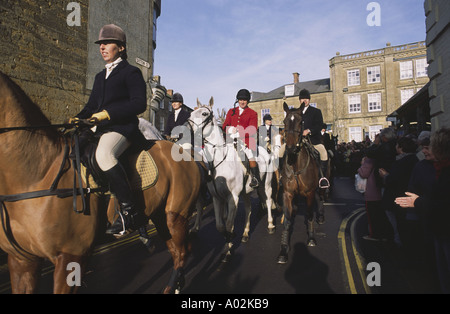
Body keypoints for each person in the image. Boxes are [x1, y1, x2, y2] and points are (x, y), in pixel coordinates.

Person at [70, 24, 147, 235]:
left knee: (104, 155)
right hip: (100, 129)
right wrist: (76, 119)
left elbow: (139, 104)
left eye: (107, 43)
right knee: (70, 147)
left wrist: (107, 113)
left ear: (121, 47)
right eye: (100, 44)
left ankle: (130, 212)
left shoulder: (131, 72)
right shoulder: (98, 77)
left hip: (122, 128)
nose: (102, 47)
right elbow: (90, 107)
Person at [395, 127, 450, 293]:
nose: (426, 150)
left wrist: (417, 202)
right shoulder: (439, 167)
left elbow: (443, 204)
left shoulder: (444, 171)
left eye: (430, 146)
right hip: (438, 230)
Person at [379, 136, 418, 247]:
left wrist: (385, 175)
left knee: (398, 224)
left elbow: (394, 180)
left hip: (398, 198)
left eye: (397, 145)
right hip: (406, 197)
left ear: (400, 148)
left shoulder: (401, 162)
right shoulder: (414, 159)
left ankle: (400, 243)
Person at [222, 89, 260, 188]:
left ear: (247, 101)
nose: (242, 102)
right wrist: (230, 129)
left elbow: (253, 129)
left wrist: (240, 132)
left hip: (245, 141)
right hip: (230, 140)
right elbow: (225, 125)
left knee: (250, 155)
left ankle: (255, 178)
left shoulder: (252, 113)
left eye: (244, 100)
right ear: (237, 100)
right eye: (240, 100)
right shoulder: (231, 111)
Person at [298, 89, 329, 188]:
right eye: (302, 99)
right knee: (282, 151)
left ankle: (322, 178)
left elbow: (319, 125)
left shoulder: (316, 111)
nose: (305, 100)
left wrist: (309, 130)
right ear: (299, 100)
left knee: (323, 152)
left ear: (309, 100)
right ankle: (282, 177)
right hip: (298, 141)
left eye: (306, 98)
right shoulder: (296, 112)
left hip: (313, 140)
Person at [358, 156, 391, 241]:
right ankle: (385, 234)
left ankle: (375, 235)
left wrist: (362, 164)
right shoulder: (383, 159)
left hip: (372, 192)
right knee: (382, 215)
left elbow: (363, 173)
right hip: (381, 192)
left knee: (372, 216)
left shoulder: (369, 160)